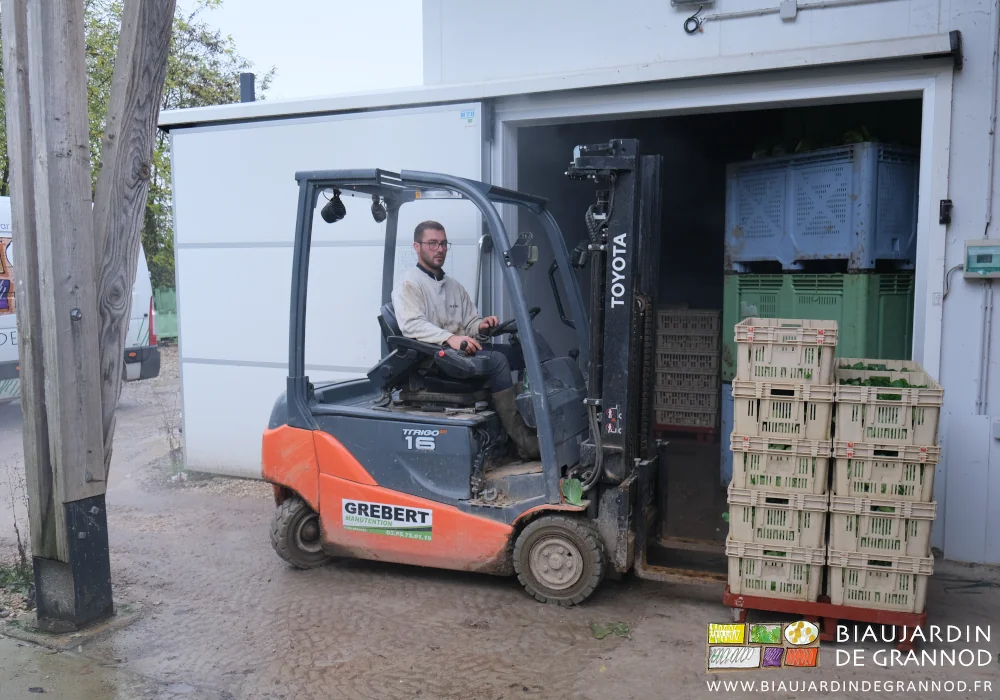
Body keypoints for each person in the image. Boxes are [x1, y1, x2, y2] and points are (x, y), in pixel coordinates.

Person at [392, 220, 540, 460]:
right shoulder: (409, 284)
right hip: (433, 360)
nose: (439, 249)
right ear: (417, 247)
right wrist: (450, 338)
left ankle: (529, 422)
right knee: (498, 361)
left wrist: (481, 327)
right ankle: (524, 441)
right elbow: (412, 326)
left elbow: (469, 325)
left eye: (443, 244)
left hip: (458, 353)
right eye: (432, 244)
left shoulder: (454, 287)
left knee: (522, 352)